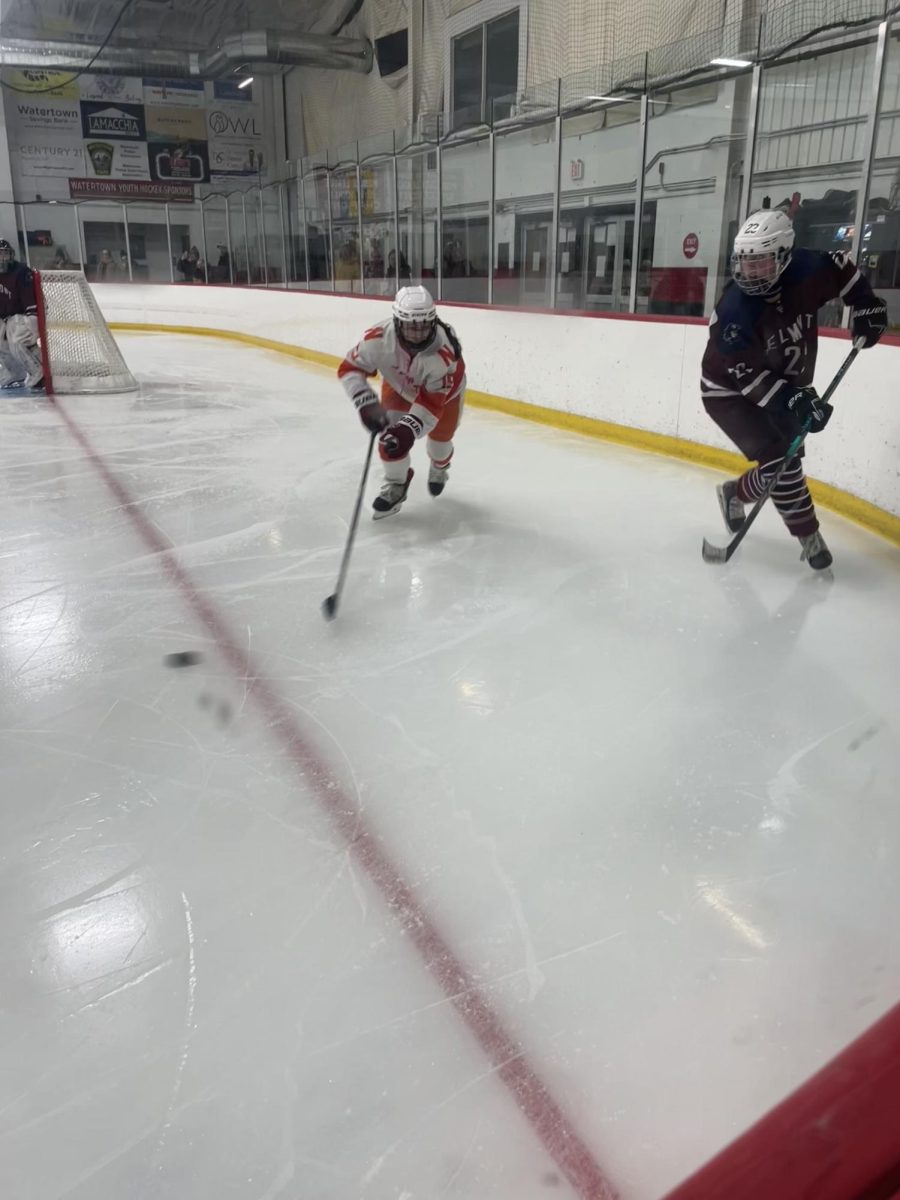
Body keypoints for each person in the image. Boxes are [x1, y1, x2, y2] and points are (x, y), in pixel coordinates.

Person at [701, 207, 887, 570]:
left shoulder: (808, 270)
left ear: (785, 256)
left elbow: (843, 270)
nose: (750, 272)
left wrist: (865, 306)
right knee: (779, 462)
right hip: (729, 392)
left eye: (761, 262)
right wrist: (796, 400)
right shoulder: (735, 312)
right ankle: (808, 536)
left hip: (786, 378)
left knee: (784, 461)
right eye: (745, 262)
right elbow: (749, 379)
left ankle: (733, 494)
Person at [337, 285, 466, 518]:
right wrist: (365, 402)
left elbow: (431, 403)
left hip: (446, 397)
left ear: (433, 321)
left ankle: (440, 466)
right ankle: (396, 484)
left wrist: (407, 429)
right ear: (397, 322)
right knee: (390, 440)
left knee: (439, 444)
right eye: (410, 326)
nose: (417, 333)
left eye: (423, 326)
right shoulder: (376, 340)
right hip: (398, 387)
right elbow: (350, 369)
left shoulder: (443, 355)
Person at [0, 239, 43, 391]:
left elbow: (29, 297)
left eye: (5, 254)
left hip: (24, 315)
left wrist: (33, 315)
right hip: (5, 317)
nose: (2, 258)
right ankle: (14, 373)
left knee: (18, 337)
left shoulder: (21, 271)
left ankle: (39, 371)